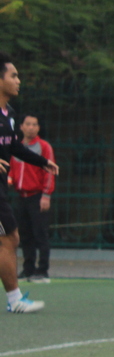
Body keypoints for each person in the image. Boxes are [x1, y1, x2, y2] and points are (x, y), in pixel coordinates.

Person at [0, 54, 61, 313]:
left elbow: (15, 147)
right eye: (13, 75)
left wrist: (42, 162)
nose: (18, 80)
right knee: (9, 238)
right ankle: (14, 300)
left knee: (9, 239)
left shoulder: (10, 115)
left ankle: (15, 299)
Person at [8, 114, 56, 283]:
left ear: (38, 128)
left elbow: (49, 172)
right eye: (28, 124)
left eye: (34, 124)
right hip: (21, 197)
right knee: (24, 235)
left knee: (40, 233)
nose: (31, 128)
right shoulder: (16, 147)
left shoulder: (44, 147)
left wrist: (46, 195)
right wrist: (9, 180)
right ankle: (28, 270)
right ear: (21, 127)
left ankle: (42, 271)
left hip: (37, 196)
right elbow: (12, 171)